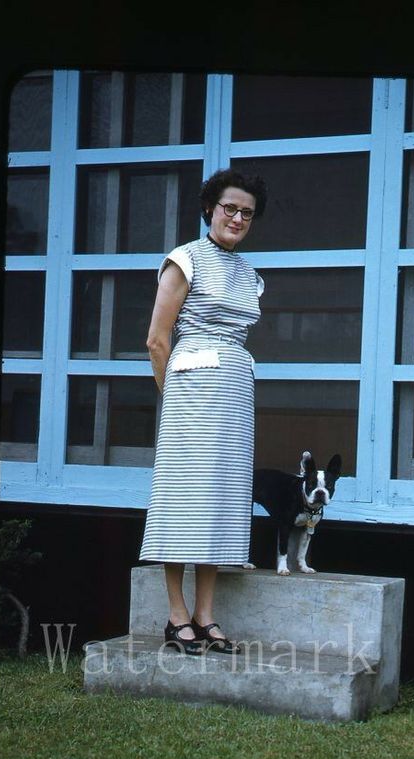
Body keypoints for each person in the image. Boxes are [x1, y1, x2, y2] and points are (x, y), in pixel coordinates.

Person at [139, 168, 267, 656]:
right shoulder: (184, 259)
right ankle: (176, 617)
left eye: (247, 213)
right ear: (210, 208)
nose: (237, 218)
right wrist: (171, 394)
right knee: (185, 496)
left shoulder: (250, 274)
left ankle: (206, 616)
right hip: (191, 388)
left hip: (234, 389)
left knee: (221, 498)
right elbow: (157, 339)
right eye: (229, 208)